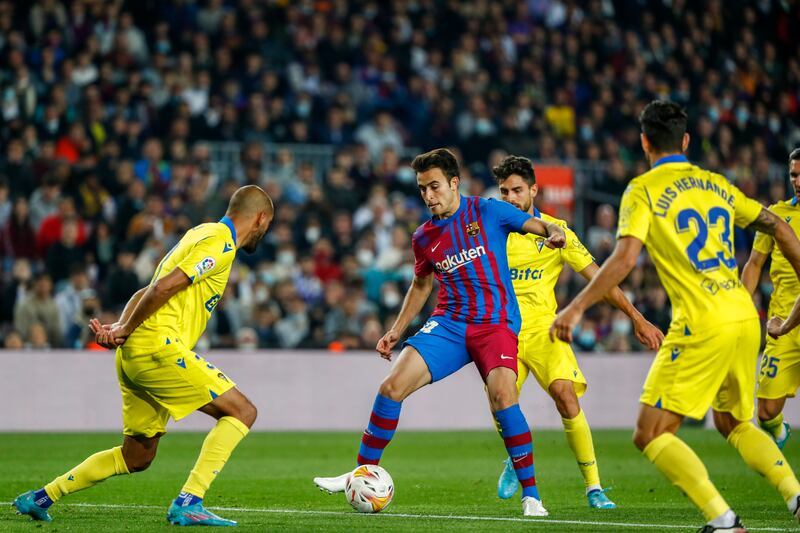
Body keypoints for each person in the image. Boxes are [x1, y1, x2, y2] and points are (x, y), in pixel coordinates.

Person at [550, 100, 800, 532]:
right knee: (735, 423)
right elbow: (776, 224)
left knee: (650, 433)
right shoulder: (717, 184)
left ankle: (723, 521)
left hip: (702, 319)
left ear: (645, 142)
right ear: (686, 141)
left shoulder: (643, 190)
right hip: (745, 313)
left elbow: (626, 257)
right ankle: (796, 496)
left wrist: (575, 306)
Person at [313, 148, 566, 517]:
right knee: (390, 387)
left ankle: (532, 496)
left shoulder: (489, 211)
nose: (428, 196)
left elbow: (541, 226)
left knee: (502, 395)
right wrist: (396, 330)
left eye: (434, 186)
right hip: (449, 323)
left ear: (454, 183)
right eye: (422, 189)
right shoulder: (424, 236)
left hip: (494, 324)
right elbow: (420, 285)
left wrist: (555, 231)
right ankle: (360, 472)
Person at [13, 185, 274, 526]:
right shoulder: (220, 244)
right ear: (260, 218)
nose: (264, 232)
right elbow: (164, 287)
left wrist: (122, 326)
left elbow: (150, 286)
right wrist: (125, 328)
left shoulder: (199, 233)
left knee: (136, 456)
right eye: (266, 226)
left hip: (137, 352)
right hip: (157, 347)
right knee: (242, 411)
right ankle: (189, 500)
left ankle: (41, 497)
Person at [491, 155, 664, 508]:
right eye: (504, 191)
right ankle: (517, 457)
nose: (510, 197)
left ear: (534, 190)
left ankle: (594, 487)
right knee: (501, 404)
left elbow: (600, 278)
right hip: (500, 331)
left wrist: (636, 317)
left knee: (566, 397)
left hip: (543, 329)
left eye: (517, 190)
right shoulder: (490, 227)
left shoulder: (557, 232)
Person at [743, 148, 800, 449]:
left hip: (791, 320)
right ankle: (778, 429)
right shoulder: (776, 216)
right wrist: (740, 305)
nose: (798, 181)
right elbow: (754, 264)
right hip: (783, 325)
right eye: (794, 174)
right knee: (765, 412)